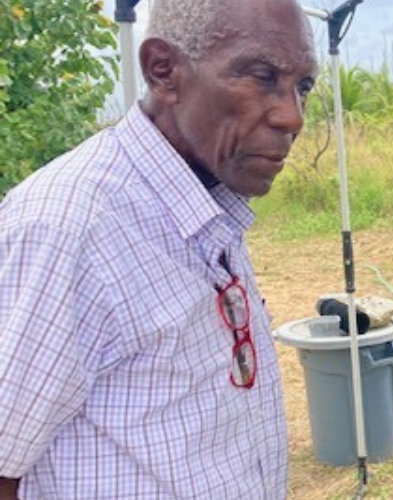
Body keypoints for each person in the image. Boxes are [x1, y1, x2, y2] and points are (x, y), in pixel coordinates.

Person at [0, 0, 318, 498]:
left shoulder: (209, 201)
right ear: (163, 71)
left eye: (303, 87)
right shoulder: (71, 225)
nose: (292, 117)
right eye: (262, 77)